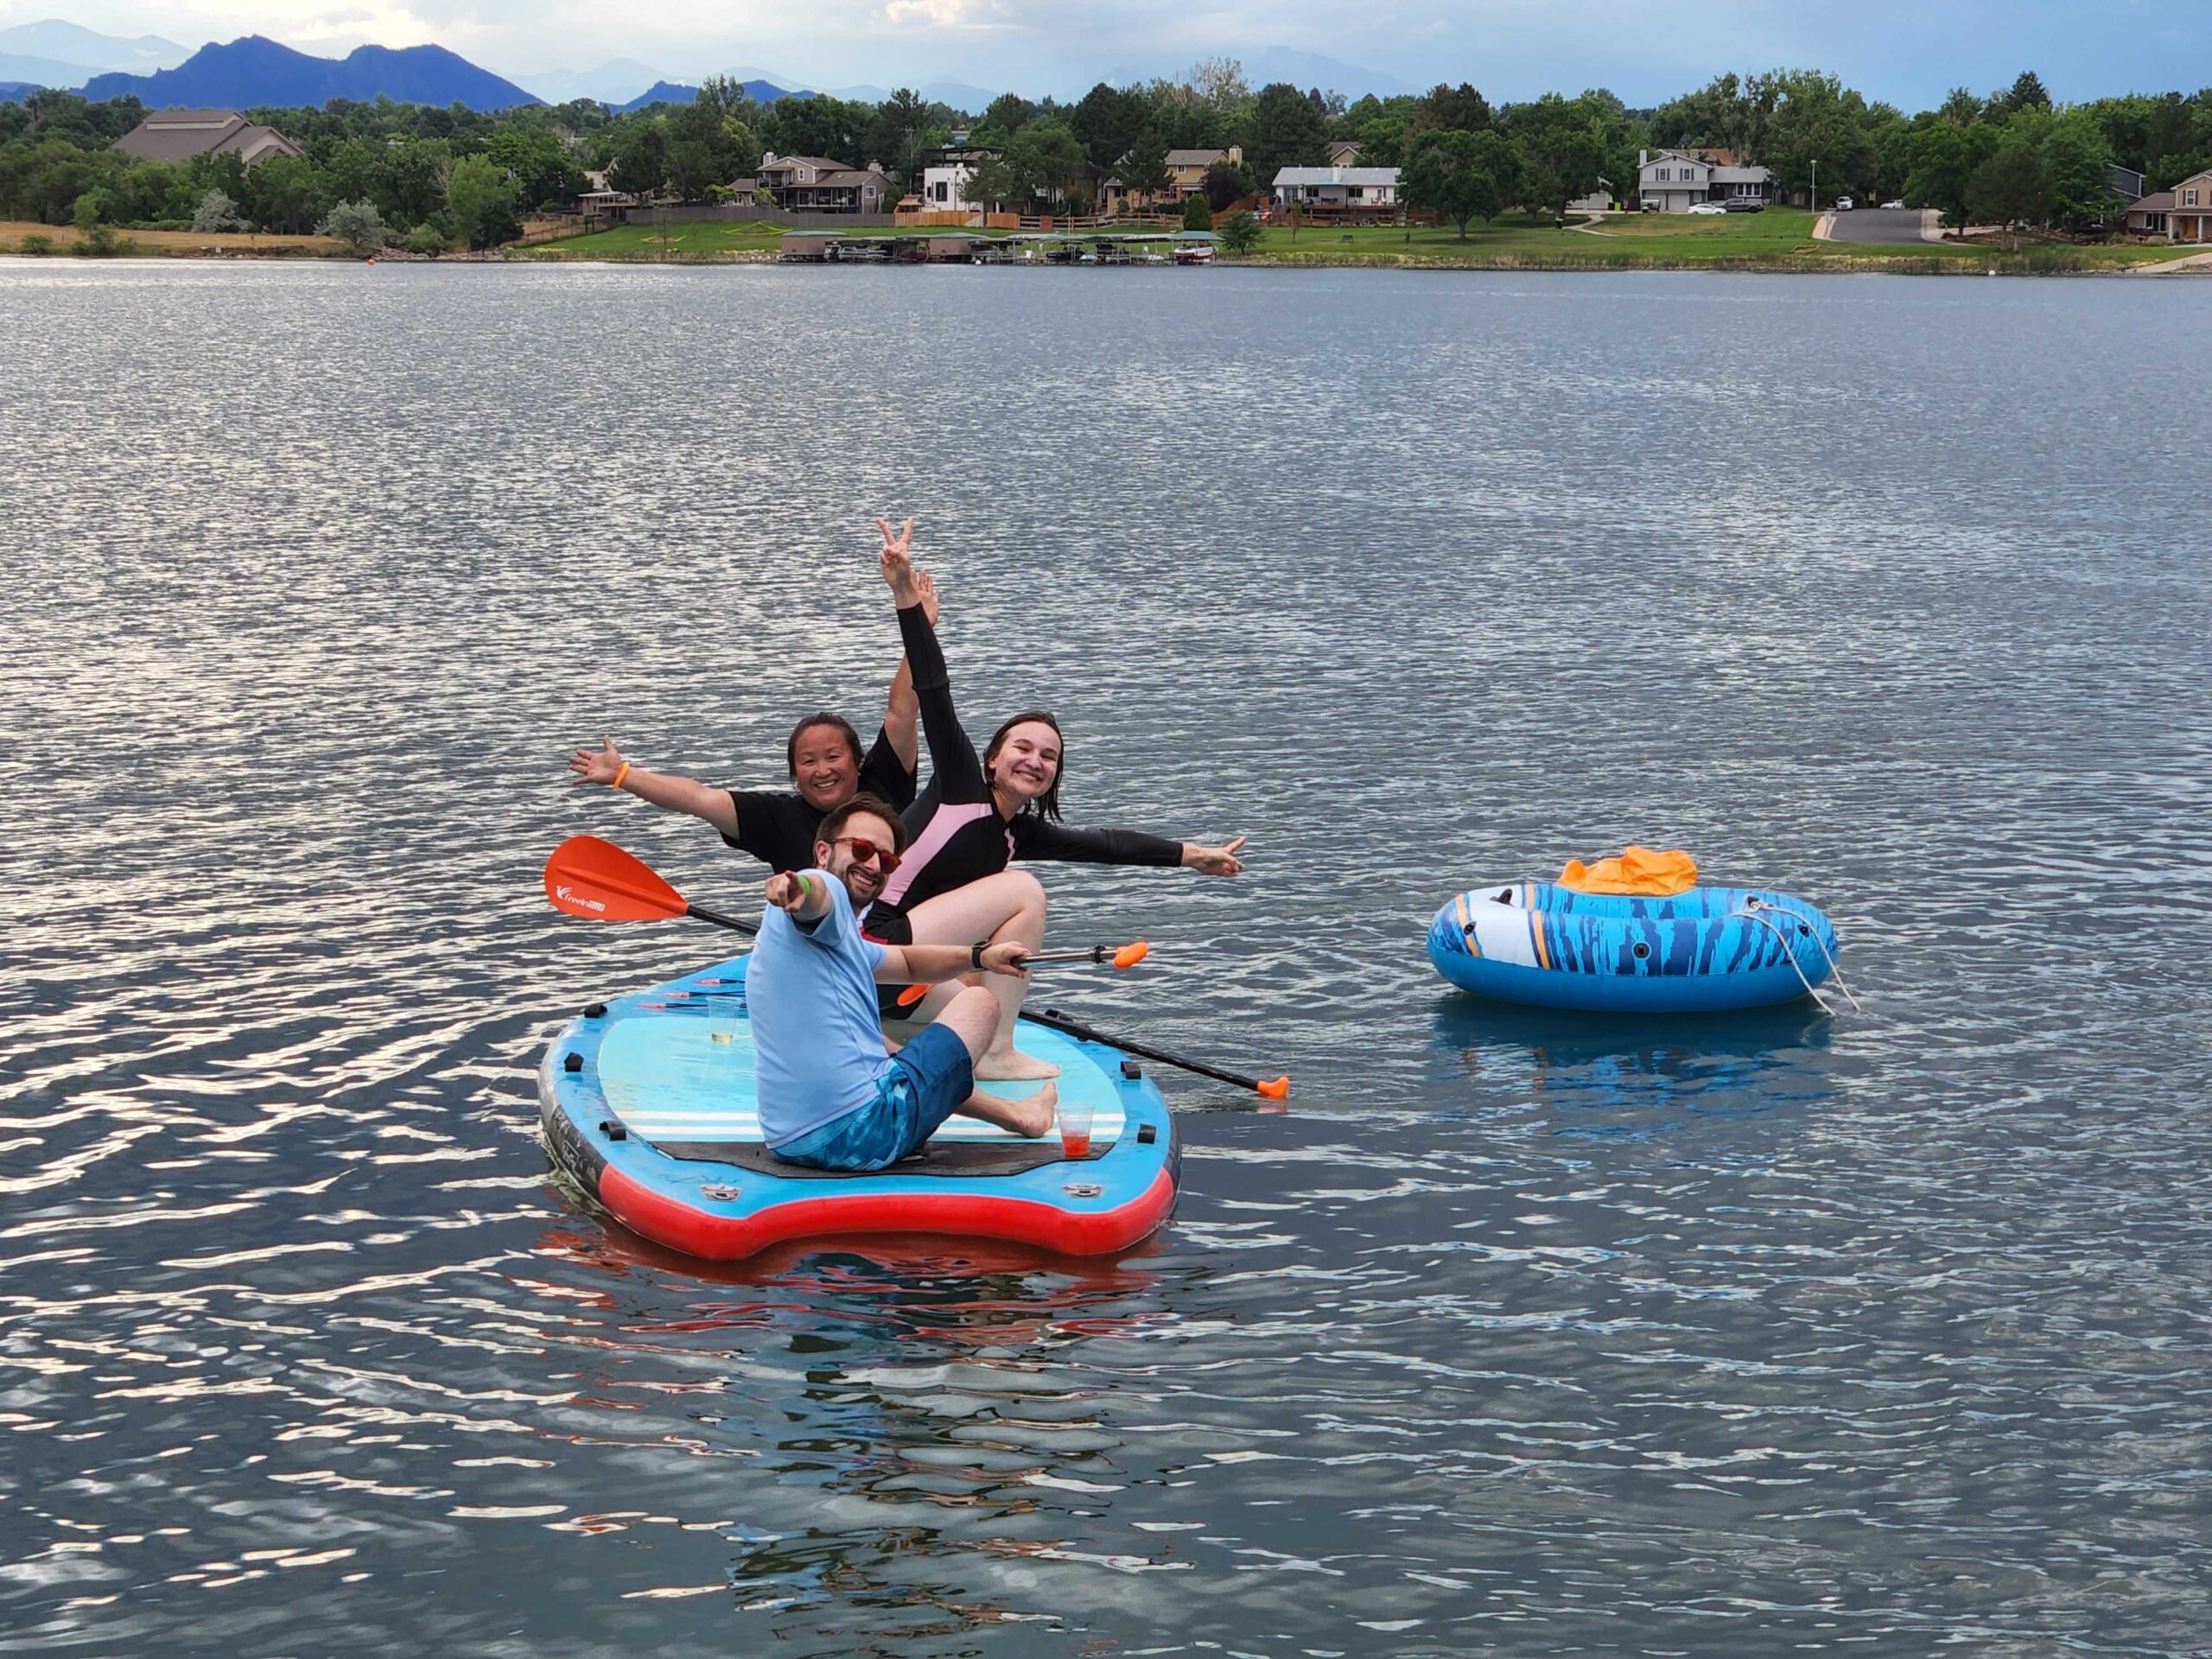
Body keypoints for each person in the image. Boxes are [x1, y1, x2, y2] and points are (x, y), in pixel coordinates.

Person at [867, 518, 1247, 1081]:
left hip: (900, 983)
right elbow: (933, 689)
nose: (1035, 761)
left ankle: (907, 1033)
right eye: (1023, 747)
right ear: (992, 758)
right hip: (871, 951)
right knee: (1024, 890)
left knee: (983, 993)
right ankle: (995, 1053)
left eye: (1049, 756)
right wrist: (905, 596)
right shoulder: (960, 783)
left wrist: (1193, 855)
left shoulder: (1016, 833)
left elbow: (1107, 845)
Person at [566, 557, 942, 874]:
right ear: (795, 776)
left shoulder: (885, 782)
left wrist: (918, 626)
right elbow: (699, 798)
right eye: (808, 762)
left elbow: (902, 710)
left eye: (832, 756)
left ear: (858, 763)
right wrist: (623, 775)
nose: (822, 770)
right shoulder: (777, 819)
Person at [750, 793, 1057, 1173]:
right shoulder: (820, 890)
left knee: (889, 1055)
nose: (874, 864)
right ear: (824, 852)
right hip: (865, 1132)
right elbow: (816, 896)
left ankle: (1017, 1115)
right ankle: (1014, 1110)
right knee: (978, 1002)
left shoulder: (841, 942)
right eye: (861, 848)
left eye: (887, 858)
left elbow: (909, 962)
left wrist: (981, 956)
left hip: (791, 1142)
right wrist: (799, 891)